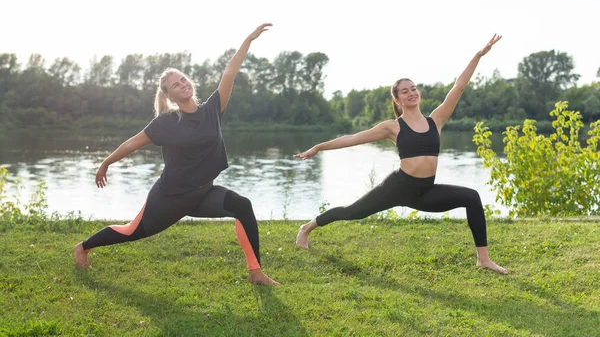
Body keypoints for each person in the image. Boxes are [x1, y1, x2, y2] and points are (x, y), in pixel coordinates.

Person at [74, 23, 280, 285]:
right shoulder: (167, 123)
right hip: (169, 197)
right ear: (170, 95)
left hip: (203, 193)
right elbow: (133, 143)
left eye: (183, 79)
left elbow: (230, 72)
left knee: (242, 206)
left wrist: (249, 40)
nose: (182, 84)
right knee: (131, 231)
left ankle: (255, 272)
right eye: (175, 84)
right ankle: (83, 247)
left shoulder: (213, 109)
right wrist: (106, 163)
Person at [294, 34, 507, 274]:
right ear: (398, 99)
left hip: (426, 191)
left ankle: (484, 259)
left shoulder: (436, 120)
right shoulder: (392, 127)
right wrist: (319, 147)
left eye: (414, 89)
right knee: (352, 212)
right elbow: (353, 139)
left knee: (472, 197)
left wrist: (478, 55)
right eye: (405, 91)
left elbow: (459, 86)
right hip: (397, 187)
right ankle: (307, 228)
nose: (411, 93)